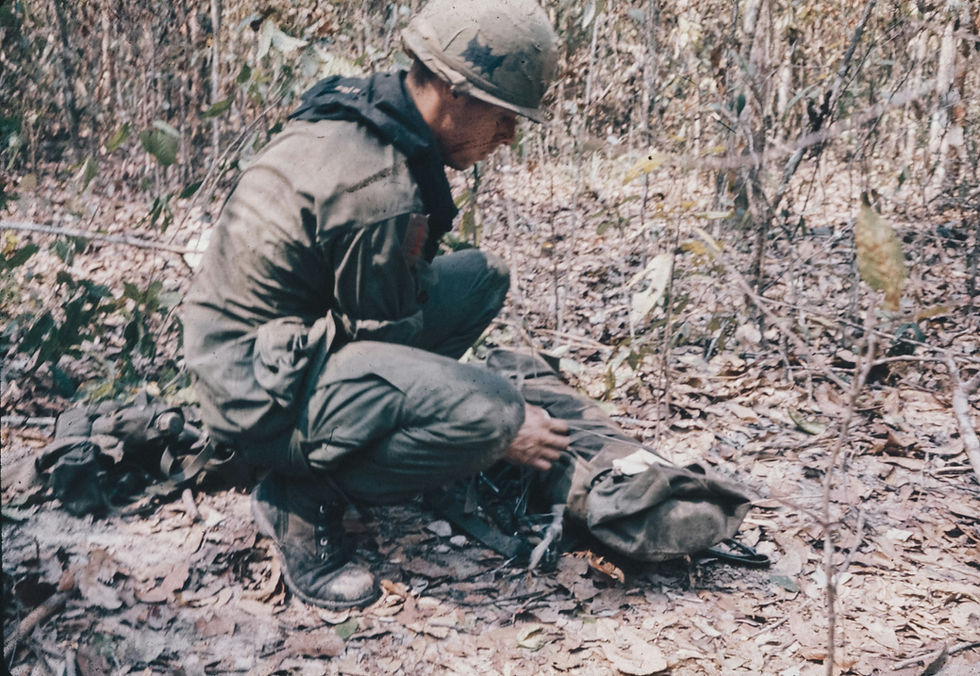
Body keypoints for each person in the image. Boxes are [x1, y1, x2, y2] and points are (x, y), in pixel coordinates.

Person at [182, 0, 567, 610]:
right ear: (451, 90)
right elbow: (380, 343)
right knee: (493, 416)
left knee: (481, 277)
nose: (509, 137)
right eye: (501, 116)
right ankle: (300, 498)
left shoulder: (372, 110)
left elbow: (383, 314)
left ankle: (352, 445)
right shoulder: (378, 188)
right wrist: (494, 432)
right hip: (253, 392)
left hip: (280, 345)